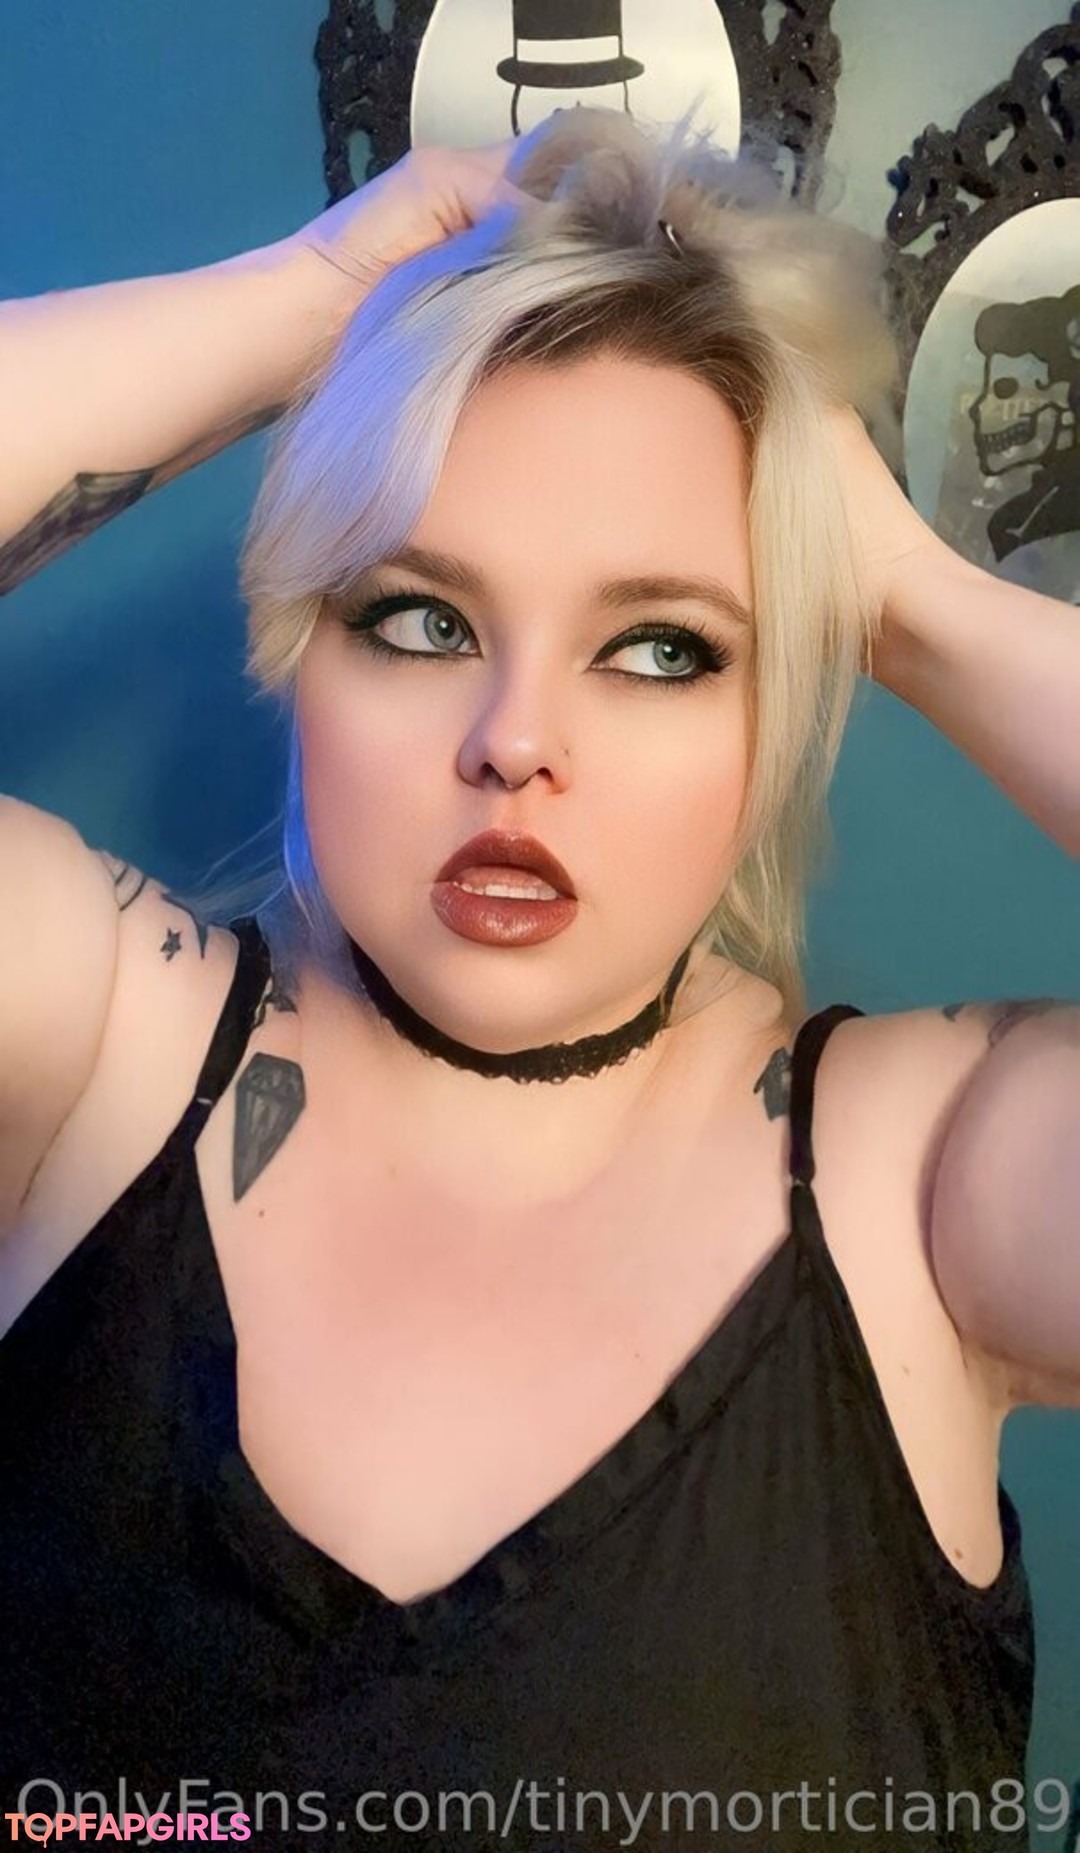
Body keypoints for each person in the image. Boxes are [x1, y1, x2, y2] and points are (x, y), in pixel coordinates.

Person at [1, 105, 1077, 1853]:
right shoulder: (84, 1058)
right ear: (301, 644)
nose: (516, 742)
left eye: (661, 647)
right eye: (421, 619)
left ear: (774, 711)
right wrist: (300, 310)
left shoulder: (927, 1186)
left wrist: (892, 590)